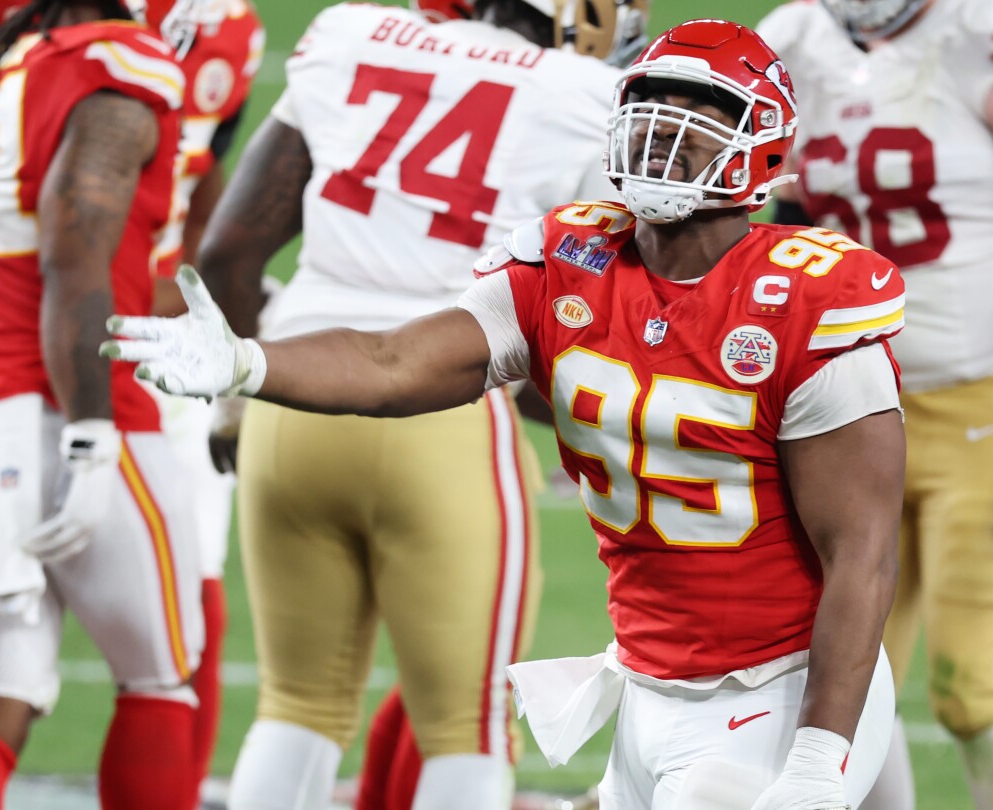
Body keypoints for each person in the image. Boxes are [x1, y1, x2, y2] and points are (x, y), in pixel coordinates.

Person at [109, 19, 906, 810]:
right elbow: (394, 362)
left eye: (702, 110)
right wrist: (250, 362)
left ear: (761, 143)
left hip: (778, 681)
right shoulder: (568, 259)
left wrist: (818, 756)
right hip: (650, 682)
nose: (667, 126)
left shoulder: (807, 301)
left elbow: (862, 553)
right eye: (655, 103)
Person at [187, 0, 646, 806]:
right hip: (444, 419)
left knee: (295, 707)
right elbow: (601, 331)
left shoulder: (352, 35)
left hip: (291, 393)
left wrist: (237, 396)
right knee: (468, 725)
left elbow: (228, 251)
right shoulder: (584, 97)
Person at [755, 1, 993, 807]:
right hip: (852, 404)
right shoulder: (793, 39)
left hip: (992, 397)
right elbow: (788, 225)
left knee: (972, 688)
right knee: (842, 683)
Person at [0, 1, 207, 806]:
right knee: (161, 681)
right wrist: (91, 431)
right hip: (67, 409)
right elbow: (74, 245)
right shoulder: (118, 59)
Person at [145, 0, 266, 792]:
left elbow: (207, 179)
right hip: (51, 343)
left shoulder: (226, 27)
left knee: (193, 604)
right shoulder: (224, 27)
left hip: (159, 346)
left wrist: (200, 295)